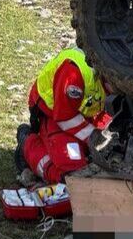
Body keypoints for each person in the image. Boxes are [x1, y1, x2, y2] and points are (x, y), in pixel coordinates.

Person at [16, 48, 112, 184]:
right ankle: (27, 145)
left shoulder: (124, 73)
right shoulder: (74, 72)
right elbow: (64, 117)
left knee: (101, 153)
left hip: (85, 112)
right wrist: (94, 137)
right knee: (73, 174)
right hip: (54, 114)